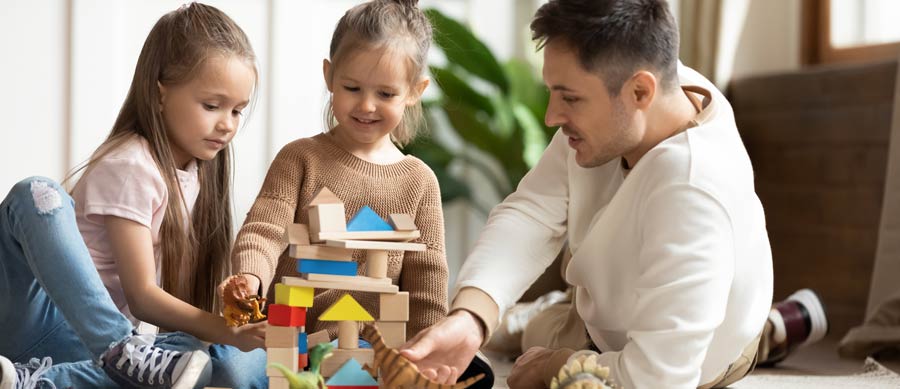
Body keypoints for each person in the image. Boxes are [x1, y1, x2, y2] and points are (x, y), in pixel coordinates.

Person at [400, 0, 821, 388]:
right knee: (528, 328)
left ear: (641, 92)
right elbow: (533, 211)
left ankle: (767, 332)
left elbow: (658, 379)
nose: (550, 116)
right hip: (601, 314)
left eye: (569, 99)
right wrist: (473, 316)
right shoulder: (638, 92)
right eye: (553, 92)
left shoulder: (695, 188)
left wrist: (555, 367)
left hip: (694, 352)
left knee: (537, 346)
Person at [225, 0, 491, 386]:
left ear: (415, 91)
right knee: (235, 370)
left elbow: (427, 282)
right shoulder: (300, 158)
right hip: (289, 350)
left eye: (385, 94)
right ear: (329, 76)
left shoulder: (419, 181)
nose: (366, 105)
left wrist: (426, 351)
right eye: (352, 88)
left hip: (374, 356)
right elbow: (265, 227)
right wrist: (250, 275)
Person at [0, 3, 265, 388]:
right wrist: (225, 330)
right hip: (43, 318)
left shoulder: (196, 173)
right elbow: (141, 296)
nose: (227, 124)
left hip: (79, 347)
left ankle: (39, 381)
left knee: (192, 359)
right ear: (160, 93)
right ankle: (119, 354)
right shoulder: (132, 166)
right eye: (212, 106)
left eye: (238, 111)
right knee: (38, 192)